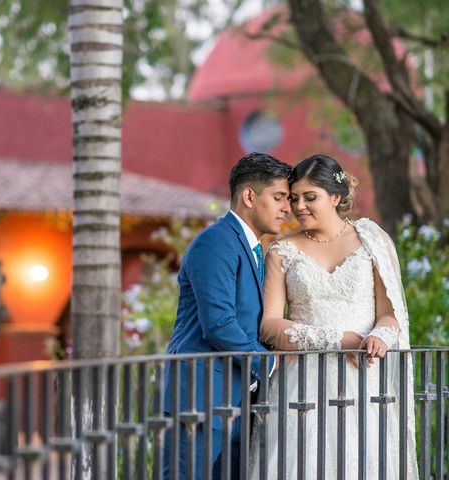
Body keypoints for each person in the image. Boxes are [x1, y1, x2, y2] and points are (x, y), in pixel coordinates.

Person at [249, 154, 418, 478]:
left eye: (310, 197)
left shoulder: (372, 240)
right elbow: (269, 325)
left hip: (362, 378)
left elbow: (390, 314)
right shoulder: (282, 251)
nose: (299, 207)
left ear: (336, 197)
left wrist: (379, 337)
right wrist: (335, 340)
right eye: (294, 198)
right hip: (301, 384)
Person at [162, 152, 292, 479]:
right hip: (199, 399)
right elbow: (218, 324)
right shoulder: (215, 242)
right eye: (278, 198)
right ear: (249, 196)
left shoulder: (256, 250)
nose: (287, 208)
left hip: (237, 401)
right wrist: (272, 362)